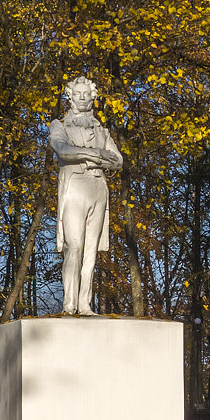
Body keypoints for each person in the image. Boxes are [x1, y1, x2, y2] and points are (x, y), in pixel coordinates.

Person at [49, 77, 123, 314]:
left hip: (97, 188)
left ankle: (84, 303)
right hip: (75, 187)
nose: (82, 98)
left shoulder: (101, 129)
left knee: (91, 251)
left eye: (86, 94)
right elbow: (62, 150)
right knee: (74, 246)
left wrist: (90, 155)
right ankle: (69, 303)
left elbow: (118, 160)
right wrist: (95, 155)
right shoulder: (59, 125)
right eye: (77, 94)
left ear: (93, 97)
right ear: (70, 97)